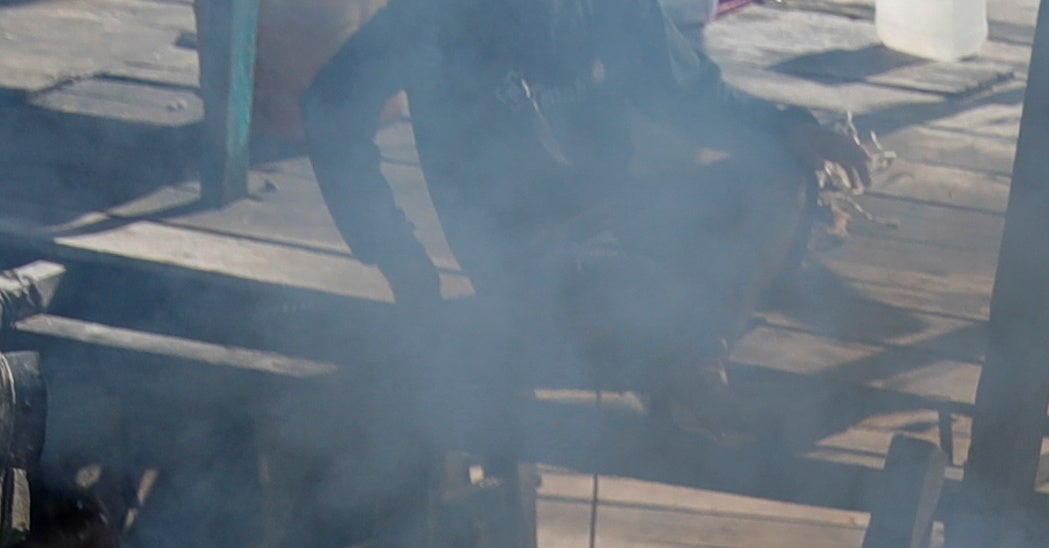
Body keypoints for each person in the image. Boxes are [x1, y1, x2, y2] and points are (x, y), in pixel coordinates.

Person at [301, 0, 866, 418]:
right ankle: (685, 358)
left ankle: (701, 357)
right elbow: (331, 105)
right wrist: (400, 257)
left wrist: (791, 129)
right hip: (527, 258)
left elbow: (689, 92)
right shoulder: (437, 15)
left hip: (622, 219)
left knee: (779, 178)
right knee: (638, 289)